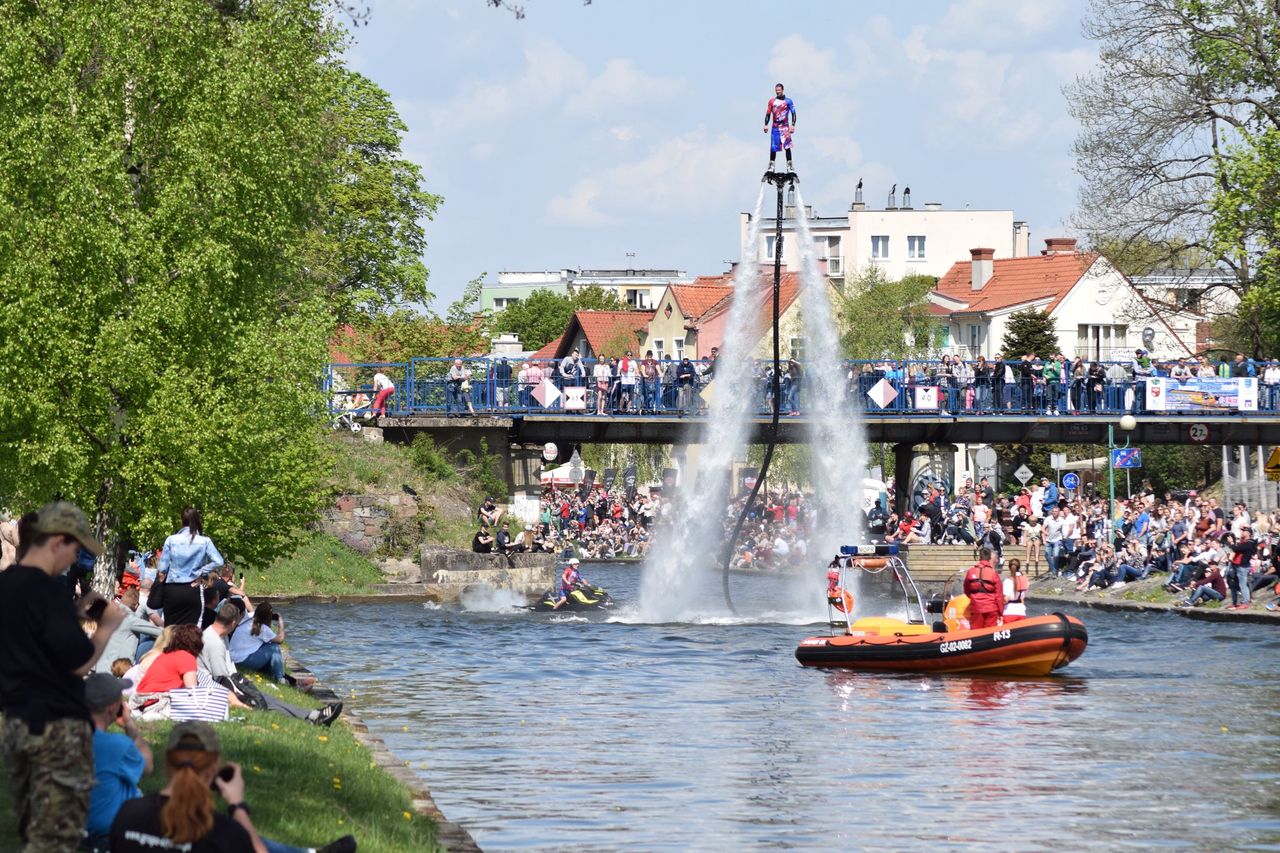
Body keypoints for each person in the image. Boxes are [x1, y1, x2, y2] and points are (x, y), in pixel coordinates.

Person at [0, 502, 124, 851]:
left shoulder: (7, 584)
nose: (75, 560)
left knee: (32, 824)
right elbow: (79, 663)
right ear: (56, 541)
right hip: (56, 727)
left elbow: (31, 640)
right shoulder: (48, 589)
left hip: (17, 721)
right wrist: (107, 627)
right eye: (75, 549)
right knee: (57, 835)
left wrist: (72, 615)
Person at [108, 722, 357, 853]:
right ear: (215, 764)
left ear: (166, 760)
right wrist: (237, 806)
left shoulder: (128, 814)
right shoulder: (223, 832)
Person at [200, 602, 341, 727]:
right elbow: (222, 680)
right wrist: (240, 702)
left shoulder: (215, 635)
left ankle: (312, 715)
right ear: (232, 623)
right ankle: (313, 716)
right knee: (264, 701)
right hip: (219, 690)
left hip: (229, 681)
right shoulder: (215, 644)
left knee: (266, 697)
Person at [85, 673, 153, 846]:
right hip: (110, 832)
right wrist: (130, 725)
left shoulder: (64, 738)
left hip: (73, 827)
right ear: (113, 707)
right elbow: (148, 766)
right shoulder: (116, 745)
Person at [150, 506, 224, 627]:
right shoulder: (205, 541)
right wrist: (201, 571)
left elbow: (162, 568)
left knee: (170, 629)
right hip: (193, 588)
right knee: (192, 629)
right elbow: (219, 561)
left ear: (181, 520)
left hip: (172, 589)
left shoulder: (171, 540)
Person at [229, 602, 287, 682]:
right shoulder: (261, 628)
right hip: (243, 661)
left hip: (234, 660)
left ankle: (273, 674)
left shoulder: (248, 619)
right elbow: (280, 639)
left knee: (267, 644)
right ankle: (280, 678)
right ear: (268, 617)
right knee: (274, 647)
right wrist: (281, 623)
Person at [962, 547, 1005, 629]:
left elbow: (966, 590)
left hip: (976, 608)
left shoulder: (971, 572)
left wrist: (974, 598)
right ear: (989, 558)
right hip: (991, 608)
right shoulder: (993, 573)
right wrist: (1001, 612)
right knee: (990, 634)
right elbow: (999, 595)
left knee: (976, 634)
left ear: (980, 557)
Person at [762, 82, 796, 172]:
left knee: (787, 147)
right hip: (775, 128)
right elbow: (768, 114)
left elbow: (793, 113)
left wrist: (793, 125)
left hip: (785, 127)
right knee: (773, 147)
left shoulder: (788, 101)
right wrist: (766, 124)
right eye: (776, 91)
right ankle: (771, 166)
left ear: (782, 90)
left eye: (779, 90)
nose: (778, 92)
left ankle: (789, 166)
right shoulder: (772, 101)